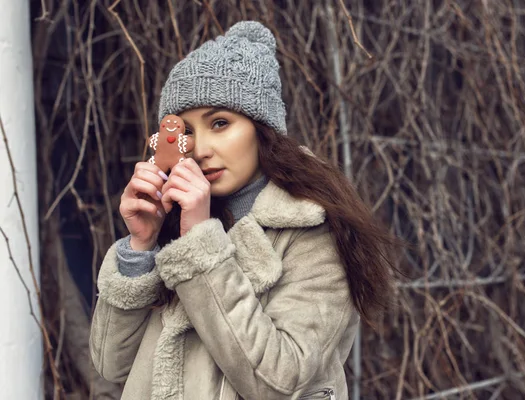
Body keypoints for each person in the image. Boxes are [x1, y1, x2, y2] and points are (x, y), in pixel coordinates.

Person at [90, 20, 398, 400]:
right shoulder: (174, 225)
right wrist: (141, 246)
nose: (200, 149)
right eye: (185, 132)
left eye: (220, 123)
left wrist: (200, 246)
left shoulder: (314, 230)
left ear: (261, 129)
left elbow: (279, 383)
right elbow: (110, 364)